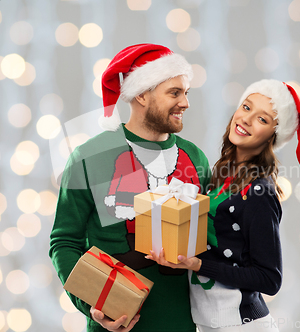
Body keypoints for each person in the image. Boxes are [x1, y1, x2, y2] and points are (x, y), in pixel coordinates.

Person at [49, 43, 210, 332]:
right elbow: (64, 242)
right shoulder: (91, 156)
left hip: (181, 324)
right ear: (141, 94)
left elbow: (210, 241)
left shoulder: (195, 158)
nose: (185, 103)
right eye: (174, 93)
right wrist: (93, 307)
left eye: (186, 93)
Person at [147, 79, 300, 331]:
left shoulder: (259, 192)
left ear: (274, 134)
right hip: (208, 321)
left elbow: (270, 278)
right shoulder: (219, 175)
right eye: (246, 107)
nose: (247, 119)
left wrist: (197, 264)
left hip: (241, 324)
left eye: (263, 119)